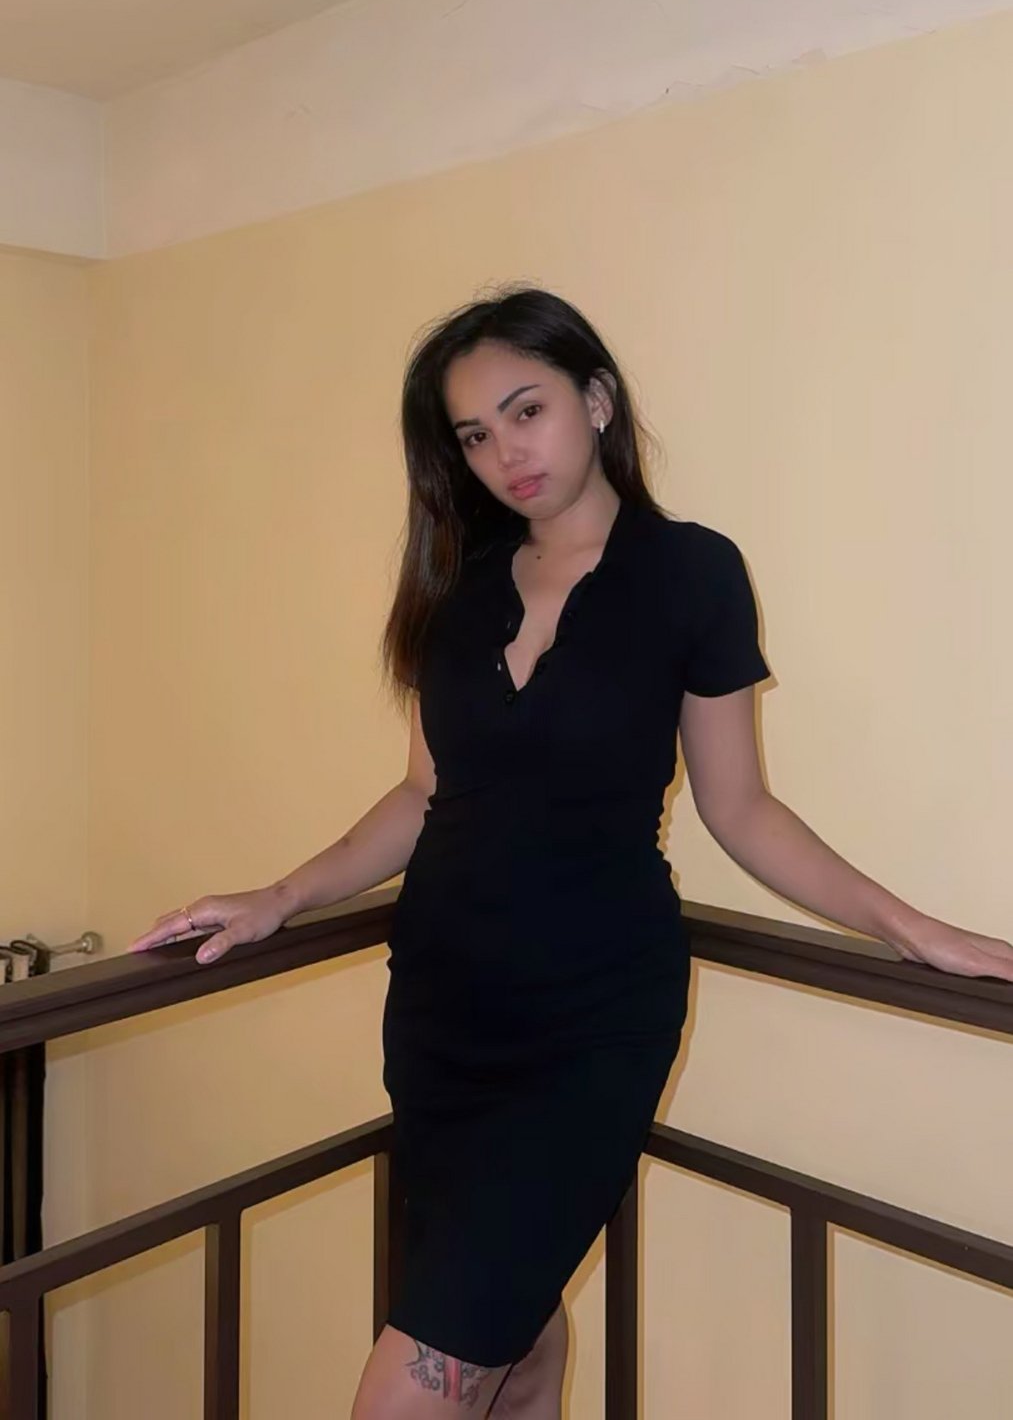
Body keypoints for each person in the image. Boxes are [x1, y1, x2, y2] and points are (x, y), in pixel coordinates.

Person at [131, 285, 1013, 1418]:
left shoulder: (690, 572)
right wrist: (280, 895)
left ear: (595, 400)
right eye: (473, 434)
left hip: (591, 1022)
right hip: (440, 1017)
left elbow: (741, 809)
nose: (505, 453)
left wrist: (911, 928)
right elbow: (425, 792)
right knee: (519, 1343)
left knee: (410, 1389)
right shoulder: (456, 588)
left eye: (525, 410)